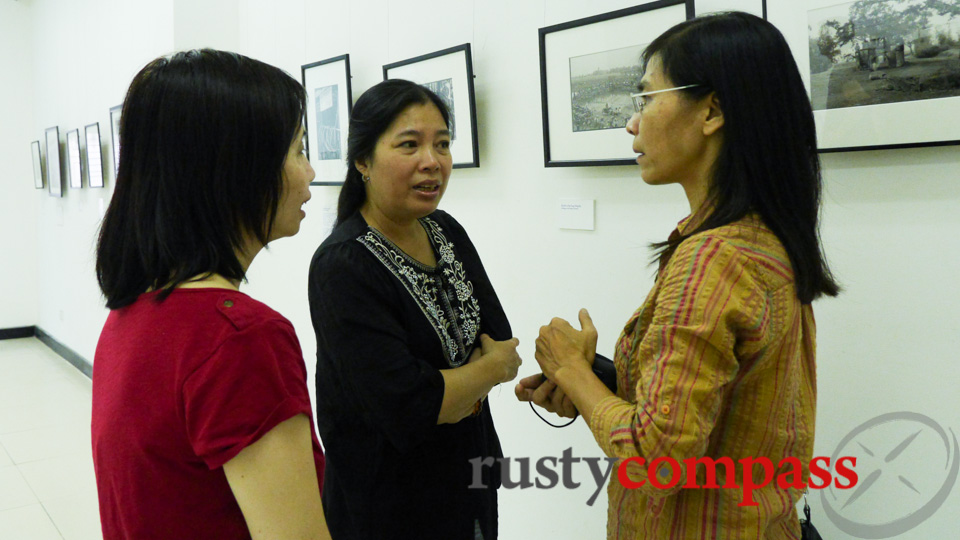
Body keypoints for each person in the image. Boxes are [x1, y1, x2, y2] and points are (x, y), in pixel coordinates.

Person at [517, 12, 840, 539]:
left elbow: (656, 458)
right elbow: (707, 405)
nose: (632, 123)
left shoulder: (711, 258)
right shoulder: (762, 237)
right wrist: (604, 387)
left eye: (646, 99)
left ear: (711, 110)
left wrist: (572, 369)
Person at [92, 49, 331, 540]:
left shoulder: (135, 310)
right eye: (297, 149)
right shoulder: (241, 339)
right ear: (238, 167)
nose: (309, 173)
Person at [308, 79, 522, 540]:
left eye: (442, 144)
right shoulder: (343, 264)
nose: (433, 160)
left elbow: (499, 336)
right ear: (362, 160)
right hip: (390, 504)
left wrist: (462, 383)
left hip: (469, 481)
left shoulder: (444, 229)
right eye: (410, 144)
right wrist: (486, 372)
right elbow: (412, 406)